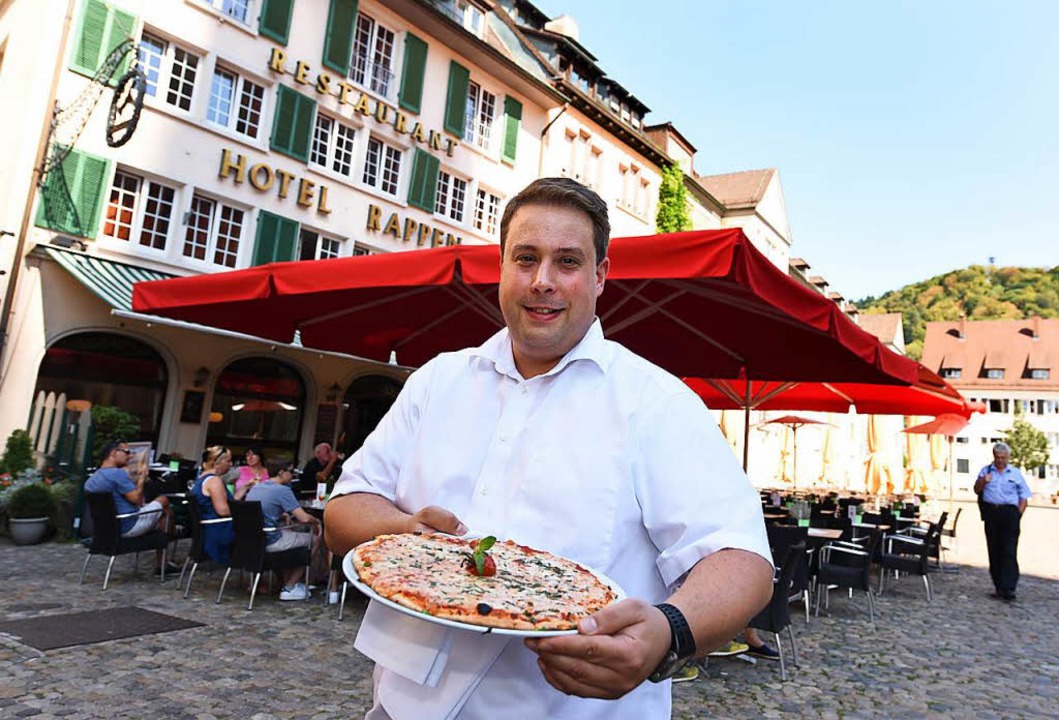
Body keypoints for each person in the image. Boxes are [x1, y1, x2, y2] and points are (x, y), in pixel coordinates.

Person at [325, 177, 773, 719]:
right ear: (502, 268)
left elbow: (742, 560)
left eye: (567, 262)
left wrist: (669, 632)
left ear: (600, 276)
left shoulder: (655, 402)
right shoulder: (437, 380)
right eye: (525, 258)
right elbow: (344, 510)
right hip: (401, 703)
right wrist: (408, 534)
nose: (542, 281)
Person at [85, 439, 175, 574]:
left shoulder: (92, 479)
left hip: (106, 529)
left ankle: (163, 561)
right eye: (127, 452)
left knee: (160, 515)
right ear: (114, 453)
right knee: (163, 501)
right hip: (129, 525)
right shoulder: (117, 474)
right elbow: (136, 500)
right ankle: (171, 539)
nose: (130, 455)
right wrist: (141, 479)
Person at [246, 457, 323, 601]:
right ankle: (290, 586)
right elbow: (304, 518)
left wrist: (282, 514)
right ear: (281, 472)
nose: (293, 475)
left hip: (254, 541)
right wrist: (317, 521)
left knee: (292, 534)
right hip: (271, 541)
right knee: (315, 539)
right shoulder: (282, 490)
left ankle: (285, 581)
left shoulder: (257, 487)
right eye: (291, 471)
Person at [973, 442, 1031, 601]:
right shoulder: (986, 471)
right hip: (991, 513)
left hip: (1009, 513)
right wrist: (983, 481)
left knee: (1009, 551)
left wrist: (1017, 515)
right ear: (994, 456)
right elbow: (977, 489)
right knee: (994, 550)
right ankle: (998, 586)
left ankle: (1009, 588)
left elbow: (1024, 497)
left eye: (1003, 458)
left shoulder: (1015, 473)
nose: (1000, 461)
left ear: (1008, 457)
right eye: (997, 457)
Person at [190, 446, 256, 566]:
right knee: (260, 533)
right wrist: (247, 513)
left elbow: (227, 503)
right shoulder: (214, 481)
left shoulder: (202, 479)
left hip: (207, 529)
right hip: (220, 531)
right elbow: (223, 510)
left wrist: (245, 487)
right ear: (217, 462)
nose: (231, 465)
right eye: (228, 461)